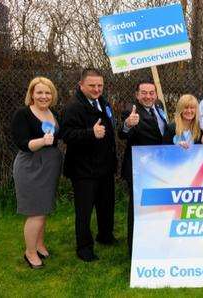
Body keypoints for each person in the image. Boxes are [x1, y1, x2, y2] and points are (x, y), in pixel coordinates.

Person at [60, 68, 117, 262]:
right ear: (81, 85)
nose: (96, 89)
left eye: (100, 85)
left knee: (106, 205)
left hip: (104, 167)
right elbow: (66, 134)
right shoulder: (74, 106)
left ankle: (105, 236)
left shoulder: (103, 102)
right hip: (84, 170)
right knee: (84, 211)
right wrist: (90, 133)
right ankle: (84, 248)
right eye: (92, 85)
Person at [11, 77, 62, 269]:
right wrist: (42, 141)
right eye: (39, 92)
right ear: (31, 94)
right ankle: (30, 253)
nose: (44, 96)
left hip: (50, 166)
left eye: (47, 92)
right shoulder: (22, 114)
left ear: (52, 95)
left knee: (44, 208)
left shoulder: (53, 113)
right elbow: (22, 142)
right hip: (31, 166)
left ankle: (39, 245)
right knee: (36, 212)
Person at [118, 79, 168, 256]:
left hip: (159, 169)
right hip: (139, 170)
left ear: (156, 94)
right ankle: (135, 249)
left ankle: (154, 244)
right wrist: (128, 124)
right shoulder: (131, 111)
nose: (148, 96)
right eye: (144, 93)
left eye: (151, 93)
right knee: (137, 210)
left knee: (156, 209)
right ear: (137, 95)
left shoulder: (160, 107)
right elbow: (122, 134)